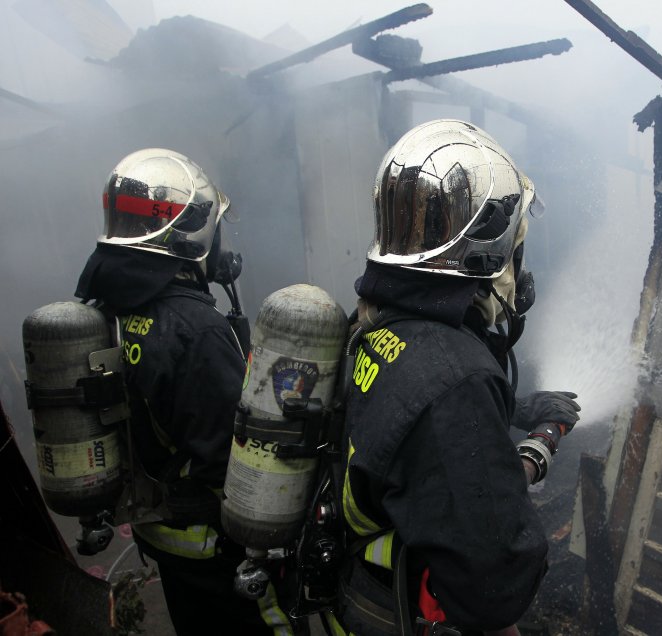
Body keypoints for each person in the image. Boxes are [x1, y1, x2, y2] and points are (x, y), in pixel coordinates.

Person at [326, 120, 580, 636]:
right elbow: (496, 588)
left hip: (356, 599)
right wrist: (533, 456)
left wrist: (517, 410)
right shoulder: (454, 382)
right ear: (488, 250)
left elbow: (411, 419)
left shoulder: (377, 324)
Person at [74, 148, 299, 635]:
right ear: (192, 235)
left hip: (163, 537)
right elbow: (234, 455)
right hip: (217, 548)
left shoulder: (106, 310)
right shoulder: (194, 330)